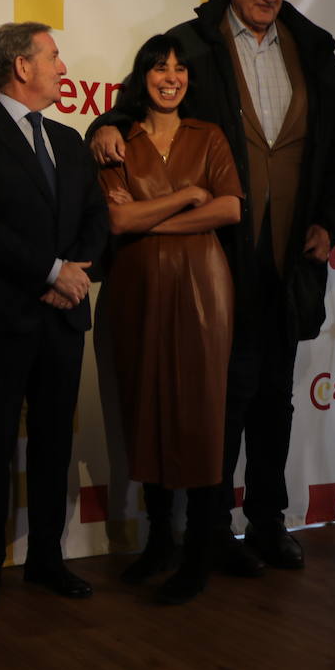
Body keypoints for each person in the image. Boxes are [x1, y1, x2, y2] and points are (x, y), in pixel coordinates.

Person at [88, 0, 335, 575]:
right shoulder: (192, 42)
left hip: (291, 253)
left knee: (275, 398)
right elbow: (142, 102)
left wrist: (333, 222)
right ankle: (209, 530)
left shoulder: (313, 52)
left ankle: (268, 521)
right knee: (221, 394)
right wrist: (105, 125)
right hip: (218, 259)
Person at [0, 22, 110, 607]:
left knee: (52, 446)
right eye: (54, 56)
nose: (64, 67)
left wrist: (74, 275)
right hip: (2, 319)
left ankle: (47, 558)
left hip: (63, 318)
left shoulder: (69, 140)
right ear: (21, 65)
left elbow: (96, 216)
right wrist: (49, 272)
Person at [99, 35, 242, 604]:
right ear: (144, 75)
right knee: (148, 408)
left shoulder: (209, 135)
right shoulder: (117, 140)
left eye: (181, 69)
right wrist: (185, 197)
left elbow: (230, 207)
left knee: (202, 414)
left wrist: (148, 222)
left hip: (204, 285)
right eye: (161, 68)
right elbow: (115, 221)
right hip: (136, 289)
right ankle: (160, 542)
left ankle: (200, 551)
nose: (172, 77)